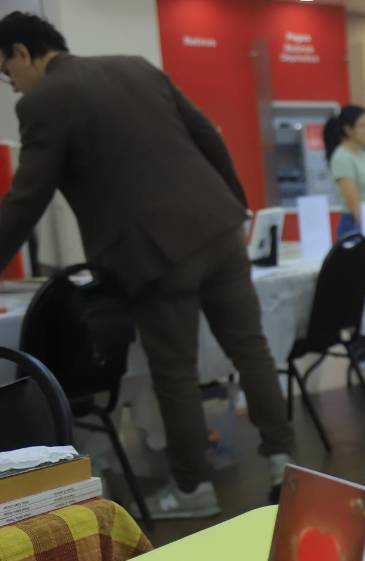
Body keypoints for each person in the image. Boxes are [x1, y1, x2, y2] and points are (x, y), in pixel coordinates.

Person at [0, 12, 293, 517]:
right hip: (219, 229)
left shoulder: (45, 101)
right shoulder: (135, 66)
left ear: (22, 52)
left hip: (155, 255)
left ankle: (192, 489)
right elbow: (208, 135)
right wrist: (234, 204)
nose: (13, 87)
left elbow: (27, 200)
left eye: (8, 75)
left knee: (175, 373)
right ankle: (285, 461)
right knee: (251, 348)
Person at [325, 105, 365, 239]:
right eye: (364, 126)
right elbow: (353, 203)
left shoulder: (362, 154)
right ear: (348, 129)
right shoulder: (342, 157)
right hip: (355, 223)